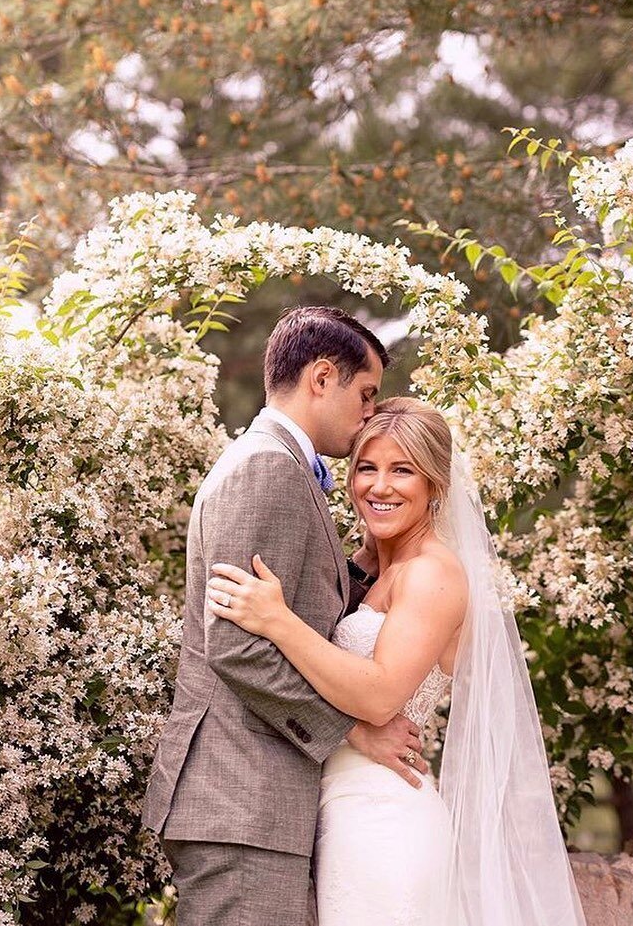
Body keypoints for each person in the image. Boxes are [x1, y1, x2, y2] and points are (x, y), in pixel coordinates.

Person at [208, 397, 588, 926]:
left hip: (384, 824)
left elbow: (382, 694)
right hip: (342, 814)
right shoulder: (377, 572)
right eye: (367, 467)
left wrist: (277, 620)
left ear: (434, 484)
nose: (379, 487)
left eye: (402, 471)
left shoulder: (433, 574)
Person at [141, 307, 431, 926]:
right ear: (322, 378)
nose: (370, 413)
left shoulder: (282, 468)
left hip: (261, 802)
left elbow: (302, 610)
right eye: (366, 393)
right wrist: (352, 732)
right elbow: (239, 647)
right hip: (241, 796)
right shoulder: (266, 469)